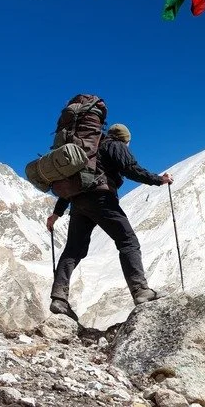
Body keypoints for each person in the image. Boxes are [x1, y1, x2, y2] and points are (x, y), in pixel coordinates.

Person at [46, 123, 173, 321]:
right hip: (102, 200)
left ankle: (59, 299)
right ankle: (140, 291)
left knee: (73, 249)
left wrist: (56, 214)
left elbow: (72, 186)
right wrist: (159, 179)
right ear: (126, 139)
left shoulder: (87, 154)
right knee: (128, 241)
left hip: (78, 203)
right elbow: (131, 170)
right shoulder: (116, 145)